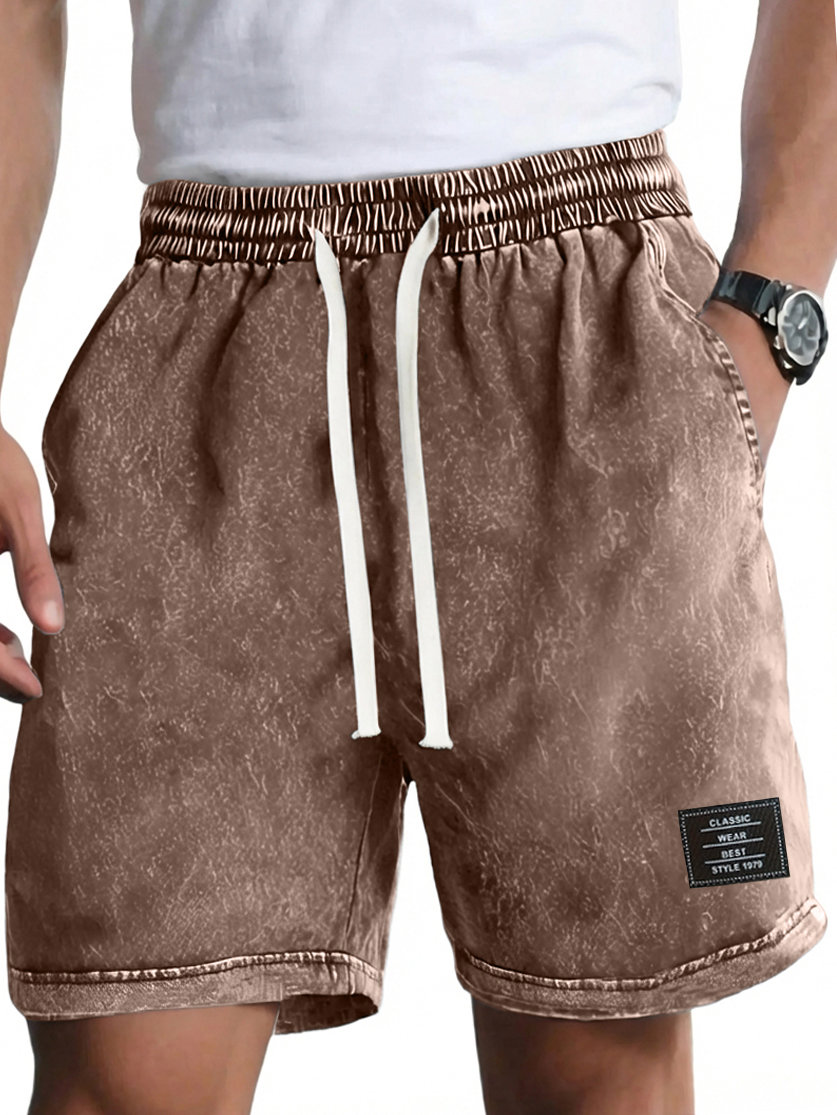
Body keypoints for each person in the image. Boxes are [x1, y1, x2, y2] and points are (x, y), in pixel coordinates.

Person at [0, 1, 833, 1112]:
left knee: (597, 1067)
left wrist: (767, 317)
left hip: (580, 325)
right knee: (123, 1058)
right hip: (201, 339)